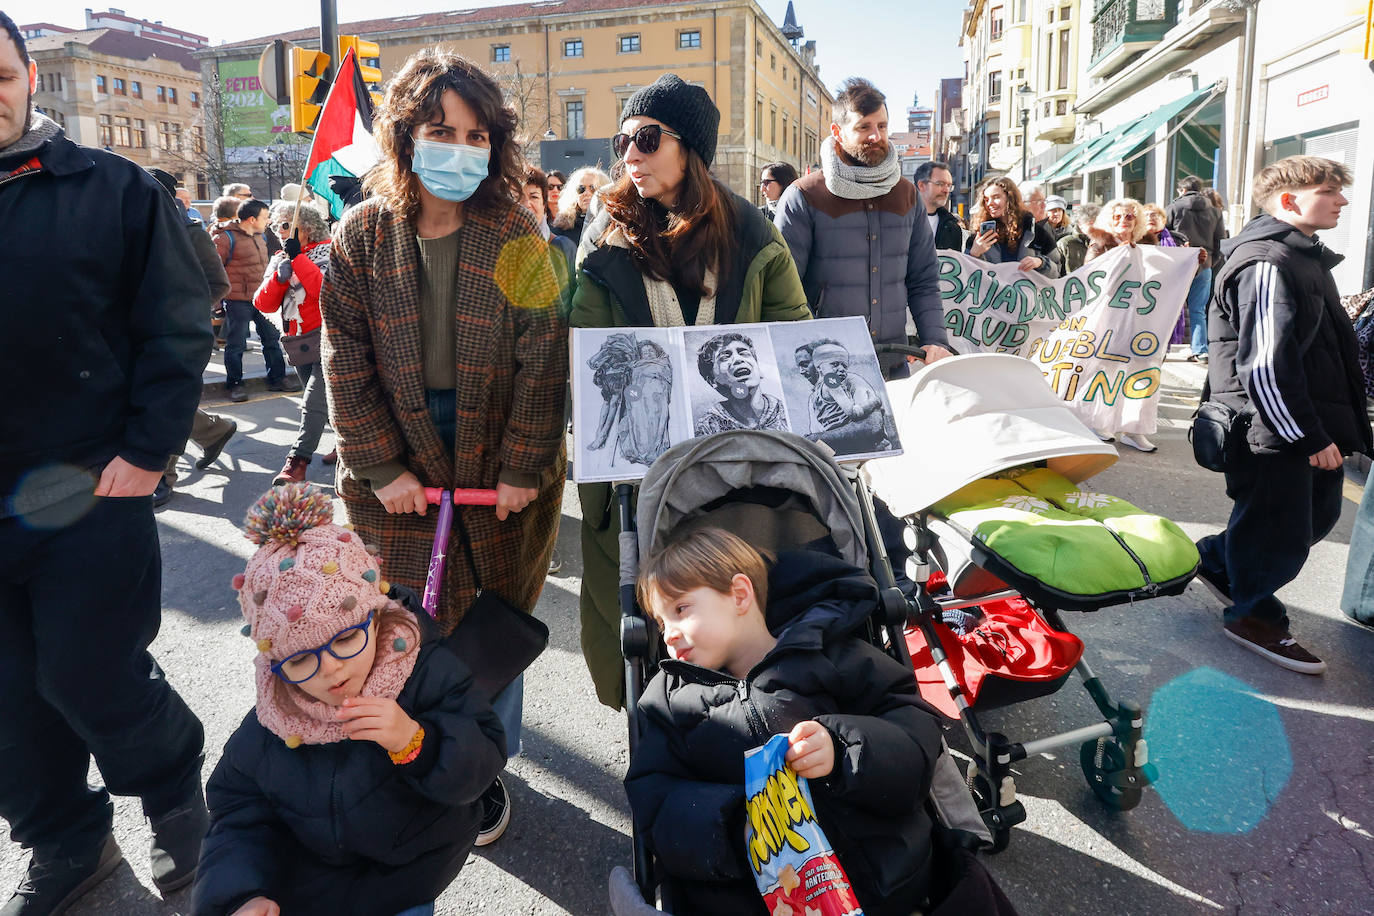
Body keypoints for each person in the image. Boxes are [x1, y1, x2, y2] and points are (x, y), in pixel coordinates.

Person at [321, 47, 567, 843]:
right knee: (400, 619)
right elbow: (343, 357)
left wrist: (524, 464)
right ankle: (406, 754)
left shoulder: (516, 234)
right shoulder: (361, 236)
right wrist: (381, 463)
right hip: (398, 441)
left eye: (474, 135)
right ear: (404, 135)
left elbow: (542, 358)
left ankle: (485, 767)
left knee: (489, 621)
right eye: (439, 130)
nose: (457, 149)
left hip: (496, 446)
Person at [0, 15, 212, 911]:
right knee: (11, 700)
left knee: (89, 672)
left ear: (27, 79)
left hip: (89, 487)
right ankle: (64, 843)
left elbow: (177, 317)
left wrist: (146, 448)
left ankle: (175, 802)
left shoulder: (113, 188)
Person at [569, 72, 811, 709]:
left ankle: (750, 710)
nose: (629, 156)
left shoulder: (755, 236)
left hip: (736, 469)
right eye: (622, 141)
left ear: (690, 148)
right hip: (634, 473)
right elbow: (584, 347)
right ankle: (657, 723)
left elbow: (791, 337)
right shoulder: (606, 237)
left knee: (737, 605)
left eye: (647, 138)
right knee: (645, 620)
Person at [191, 484, 507, 916]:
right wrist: (238, 894)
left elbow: (484, 759)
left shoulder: (427, 672)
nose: (331, 670)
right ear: (275, 663)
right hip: (316, 891)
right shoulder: (276, 716)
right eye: (301, 659)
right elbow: (238, 813)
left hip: (409, 876)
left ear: (376, 618)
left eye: (345, 639)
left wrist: (415, 740)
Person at [626, 527, 944, 916]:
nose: (669, 635)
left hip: (882, 876)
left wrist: (844, 749)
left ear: (740, 595)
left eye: (680, 610)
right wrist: (731, 826)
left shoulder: (827, 652)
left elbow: (912, 725)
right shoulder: (670, 700)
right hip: (758, 895)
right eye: (660, 623)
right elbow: (654, 798)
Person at [1196, 155, 1369, 675]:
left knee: (1312, 518)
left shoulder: (1301, 255)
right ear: (1290, 200)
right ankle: (1254, 618)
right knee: (1280, 527)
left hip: (1292, 426)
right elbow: (1265, 365)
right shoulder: (1269, 260)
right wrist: (1306, 436)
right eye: (1330, 191)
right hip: (1269, 428)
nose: (1342, 200)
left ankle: (1220, 560)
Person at [775, 77, 952, 377]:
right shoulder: (804, 196)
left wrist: (935, 339)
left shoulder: (906, 195)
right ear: (837, 132)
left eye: (882, 126)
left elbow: (923, 279)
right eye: (864, 127)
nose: (876, 136)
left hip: (895, 364)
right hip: (827, 370)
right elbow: (784, 292)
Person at [146, 167, 238, 506]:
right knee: (155, 399)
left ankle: (163, 476)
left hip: (179, 331)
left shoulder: (190, 229)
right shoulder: (131, 225)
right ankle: (214, 430)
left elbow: (218, 284)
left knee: (165, 399)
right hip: (139, 330)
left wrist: (181, 314)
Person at [255, 201, 334, 485]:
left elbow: (325, 292)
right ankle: (347, 444)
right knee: (326, 404)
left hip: (330, 339)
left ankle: (296, 463)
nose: (280, 230)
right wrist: (279, 276)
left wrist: (299, 259)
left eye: (286, 225)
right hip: (299, 342)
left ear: (306, 226)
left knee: (313, 401)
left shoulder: (330, 251)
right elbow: (263, 303)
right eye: (277, 225)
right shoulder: (280, 258)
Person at [214, 198, 296, 402]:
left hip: (262, 299)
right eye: (265, 217)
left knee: (271, 340)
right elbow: (214, 272)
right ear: (252, 219)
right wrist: (216, 303)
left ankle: (277, 378)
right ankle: (235, 384)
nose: (268, 221)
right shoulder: (225, 239)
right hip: (237, 301)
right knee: (236, 345)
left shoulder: (261, 237)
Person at [1167, 176, 1225, 364]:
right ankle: (1200, 350)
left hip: (1177, 263)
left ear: (1182, 190)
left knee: (1169, 307)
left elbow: (1165, 236)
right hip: (1205, 262)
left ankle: (1161, 347)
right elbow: (1219, 242)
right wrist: (1210, 261)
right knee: (1198, 309)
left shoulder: (1174, 208)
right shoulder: (1215, 211)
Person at [693, 331, 787, 435]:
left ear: (759, 370)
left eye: (744, 353)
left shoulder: (784, 410)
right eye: (724, 357)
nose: (738, 359)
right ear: (712, 381)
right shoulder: (708, 426)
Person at [966, 177, 1058, 277]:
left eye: (996, 197)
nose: (989, 203)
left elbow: (1057, 270)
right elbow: (965, 274)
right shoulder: (978, 235)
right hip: (993, 292)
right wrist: (974, 254)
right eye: (986, 199)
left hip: (1026, 291)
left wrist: (1040, 263)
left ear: (1010, 198)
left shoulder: (1035, 232)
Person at [521, 164, 577, 314]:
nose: (526, 204)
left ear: (544, 204)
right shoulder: (494, 248)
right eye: (517, 197)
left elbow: (575, 305)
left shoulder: (562, 247)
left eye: (534, 197)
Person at [551, 164, 609, 246]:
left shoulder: (613, 226)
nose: (587, 193)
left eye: (593, 188)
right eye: (581, 189)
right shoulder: (561, 229)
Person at [914, 159, 962, 251]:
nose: (946, 190)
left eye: (949, 186)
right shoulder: (899, 220)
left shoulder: (952, 228)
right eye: (940, 184)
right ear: (921, 185)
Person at [1056, 202, 1099, 273]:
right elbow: (1056, 272)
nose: (1095, 226)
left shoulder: (1104, 242)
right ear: (1080, 223)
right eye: (1091, 223)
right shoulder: (1065, 243)